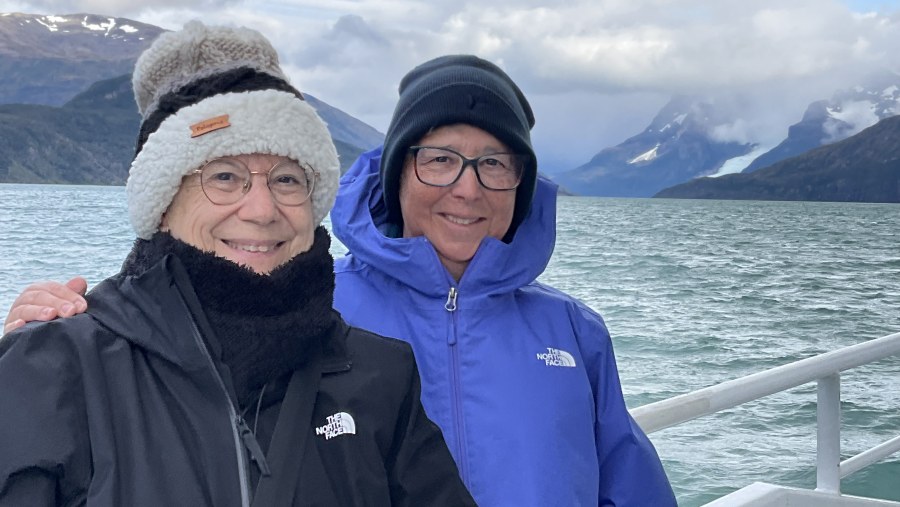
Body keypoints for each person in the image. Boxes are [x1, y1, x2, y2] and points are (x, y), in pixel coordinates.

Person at [4, 54, 677, 505]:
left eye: (495, 163)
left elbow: (631, 485)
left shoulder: (571, 332)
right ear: (397, 173)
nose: (467, 188)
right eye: (439, 159)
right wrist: (51, 344)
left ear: (522, 184)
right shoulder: (316, 311)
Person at [0, 21, 475, 507]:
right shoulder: (58, 370)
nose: (262, 210)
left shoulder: (380, 377)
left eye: (287, 179)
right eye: (224, 176)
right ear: (162, 204)